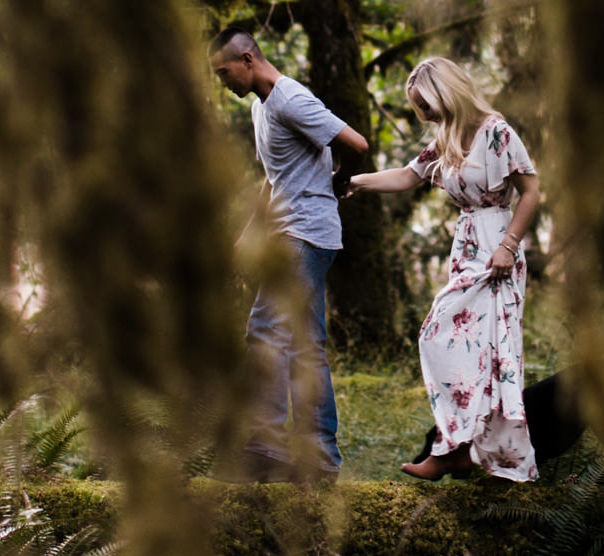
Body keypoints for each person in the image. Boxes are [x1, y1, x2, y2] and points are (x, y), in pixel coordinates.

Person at [348, 56, 540, 482]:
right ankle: (462, 448)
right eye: (418, 108)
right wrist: (356, 182)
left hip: (497, 244)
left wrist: (509, 246)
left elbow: (531, 190)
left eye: (426, 104)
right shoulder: (446, 139)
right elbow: (406, 176)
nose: (424, 114)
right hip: (467, 244)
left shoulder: (497, 132)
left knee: (488, 350)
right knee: (451, 342)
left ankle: (475, 454)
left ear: (446, 91)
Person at [210, 26, 369, 478]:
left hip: (305, 234)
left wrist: (339, 181)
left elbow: (356, 144)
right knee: (306, 347)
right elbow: (274, 176)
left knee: (267, 329)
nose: (224, 84)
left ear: (247, 60)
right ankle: (320, 460)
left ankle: (268, 446)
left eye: (224, 73)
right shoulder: (264, 108)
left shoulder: (288, 99)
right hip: (293, 233)